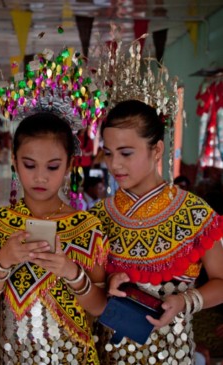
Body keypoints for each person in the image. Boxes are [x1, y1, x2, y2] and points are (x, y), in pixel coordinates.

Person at [89, 99, 223, 364]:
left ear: (157, 149)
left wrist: (184, 301)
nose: (114, 164)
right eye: (108, 152)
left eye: (126, 153)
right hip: (108, 354)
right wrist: (106, 285)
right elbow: (88, 290)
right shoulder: (98, 216)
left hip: (171, 355)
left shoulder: (194, 213)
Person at [0, 111, 108, 364]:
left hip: (73, 357)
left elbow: (100, 308)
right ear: (14, 161)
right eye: (29, 165)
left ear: (70, 164)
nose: (40, 176)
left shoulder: (87, 227)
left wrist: (72, 272)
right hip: (12, 356)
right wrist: (1, 262)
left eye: (52, 166)